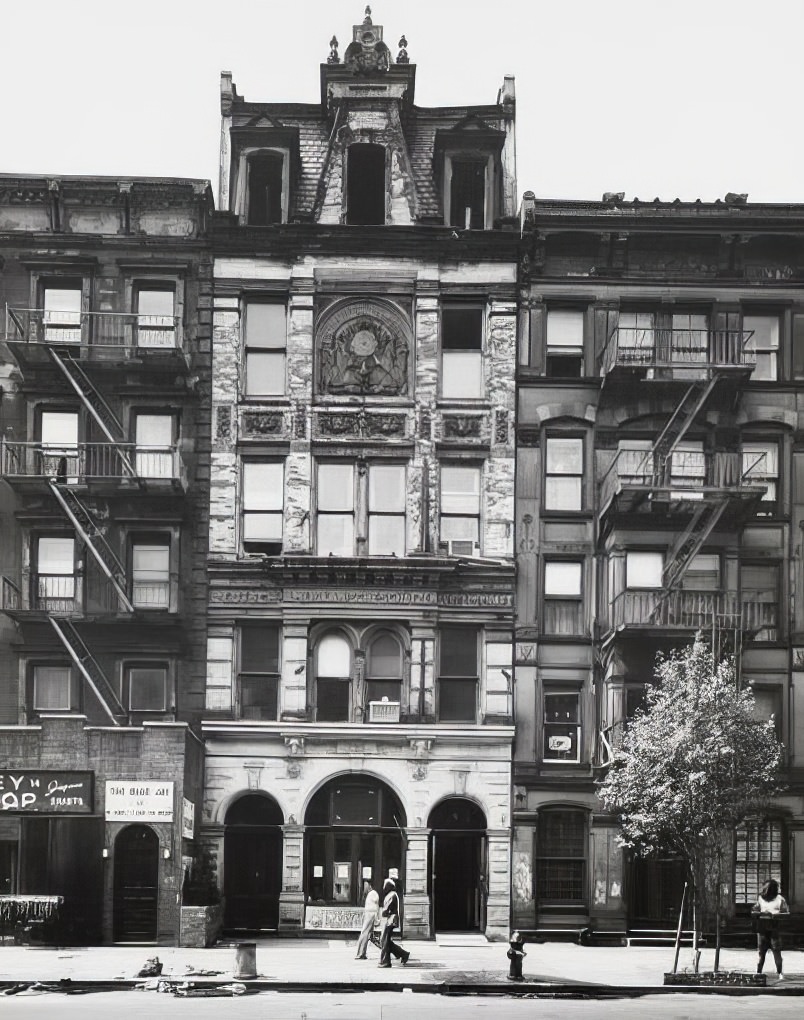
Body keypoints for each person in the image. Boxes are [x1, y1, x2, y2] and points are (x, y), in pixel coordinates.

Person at [752, 878, 790, 979]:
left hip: (774, 929)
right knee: (761, 953)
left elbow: (786, 913)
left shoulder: (780, 899)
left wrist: (776, 915)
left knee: (776, 952)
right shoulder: (760, 899)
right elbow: (754, 911)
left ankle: (779, 972)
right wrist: (760, 913)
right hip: (762, 929)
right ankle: (759, 972)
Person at [378, 876, 409, 968]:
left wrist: (383, 912)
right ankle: (403, 954)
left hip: (390, 920)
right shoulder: (391, 894)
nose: (384, 887)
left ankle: (385, 962)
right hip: (390, 919)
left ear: (389, 886)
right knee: (386, 941)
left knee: (384, 941)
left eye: (385, 885)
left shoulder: (391, 895)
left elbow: (385, 911)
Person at [355, 883, 380, 960]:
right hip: (369, 915)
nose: (364, 889)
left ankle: (361, 953)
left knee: (365, 933)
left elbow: (375, 907)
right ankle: (361, 953)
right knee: (368, 935)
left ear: (370, 886)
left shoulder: (373, 894)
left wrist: (376, 918)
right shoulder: (371, 894)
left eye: (366, 886)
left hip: (370, 915)